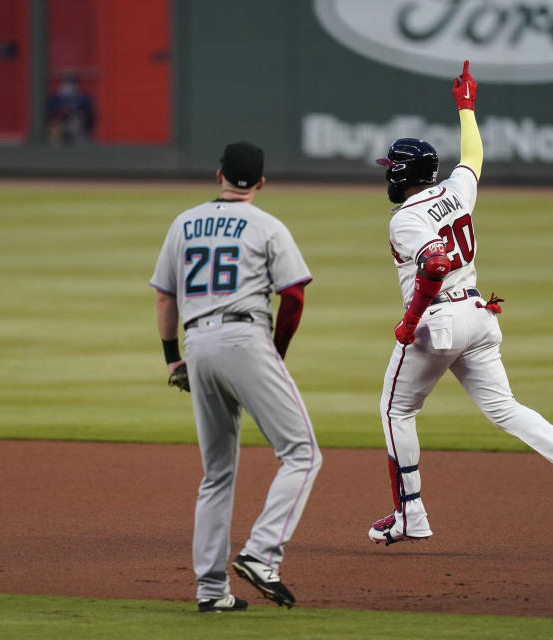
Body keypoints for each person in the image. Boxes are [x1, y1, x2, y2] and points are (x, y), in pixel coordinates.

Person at [368, 61, 553, 546]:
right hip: (478, 316)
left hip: (437, 323)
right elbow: (472, 157)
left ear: (399, 173)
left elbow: (433, 265)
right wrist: (466, 107)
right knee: (504, 408)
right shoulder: (456, 192)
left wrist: (408, 320)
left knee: (395, 412)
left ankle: (411, 514)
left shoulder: (405, 219)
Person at [149, 142, 322, 612]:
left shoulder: (184, 222)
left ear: (219, 174)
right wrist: (276, 352)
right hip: (245, 339)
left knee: (217, 473)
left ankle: (210, 592)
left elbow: (165, 297)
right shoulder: (268, 225)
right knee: (302, 454)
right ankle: (262, 554)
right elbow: (294, 296)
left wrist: (173, 360)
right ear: (261, 183)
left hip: (197, 346)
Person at [46, 72, 96, 144]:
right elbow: (50, 113)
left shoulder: (83, 98)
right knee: (55, 127)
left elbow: (90, 116)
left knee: (76, 121)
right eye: (67, 83)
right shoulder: (55, 98)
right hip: (59, 124)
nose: (70, 86)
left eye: (72, 83)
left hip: (77, 125)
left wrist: (74, 112)